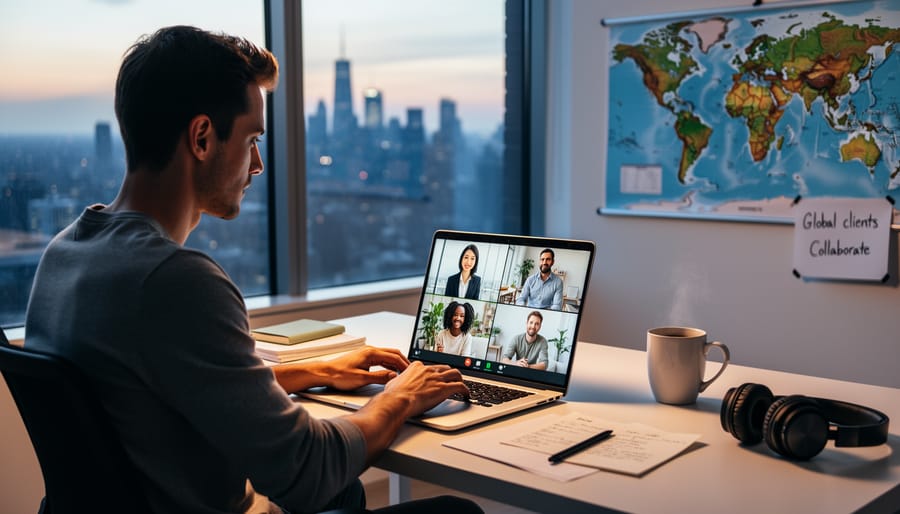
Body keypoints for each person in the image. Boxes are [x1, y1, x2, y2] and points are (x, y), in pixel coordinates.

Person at [23, 26, 481, 514]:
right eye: (252, 139)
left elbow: (159, 389)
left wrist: (314, 371)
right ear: (202, 137)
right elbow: (304, 474)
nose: (258, 163)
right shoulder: (177, 281)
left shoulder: (65, 253)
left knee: (345, 492)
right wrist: (401, 397)